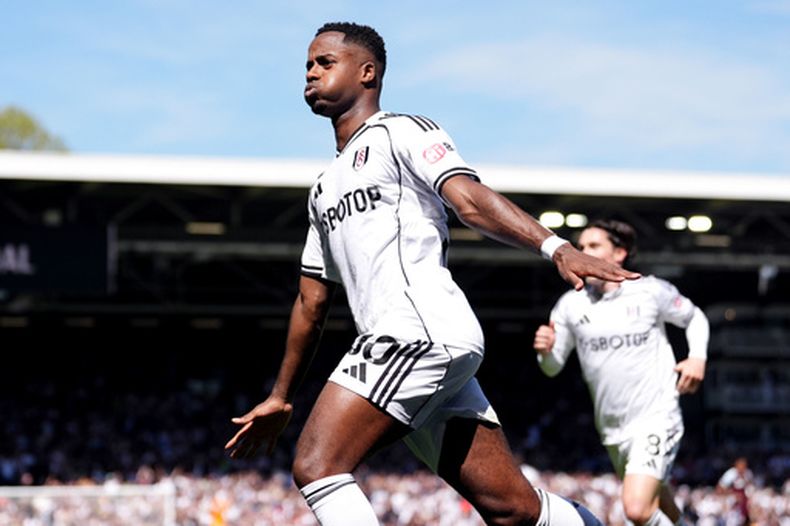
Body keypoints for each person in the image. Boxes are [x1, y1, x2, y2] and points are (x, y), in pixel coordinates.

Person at [225, 22, 638, 526]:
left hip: (415, 332)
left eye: (325, 62)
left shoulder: (402, 132)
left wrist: (555, 247)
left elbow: (468, 200)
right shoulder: (323, 190)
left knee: (318, 465)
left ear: (367, 72)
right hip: (421, 346)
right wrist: (280, 396)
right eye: (308, 65)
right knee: (513, 510)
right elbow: (312, 300)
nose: (310, 72)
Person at [533, 219, 709, 526]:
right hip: (612, 429)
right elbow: (552, 367)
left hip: (656, 415)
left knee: (637, 509)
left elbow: (695, 318)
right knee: (659, 502)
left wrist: (697, 358)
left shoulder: (650, 291)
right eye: (581, 246)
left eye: (594, 246)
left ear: (619, 254)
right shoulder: (569, 306)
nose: (583, 252)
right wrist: (544, 351)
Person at [717, 456, 753, 525]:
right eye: (741, 465)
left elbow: (750, 486)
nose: (743, 467)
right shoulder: (731, 474)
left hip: (744, 500)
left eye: (744, 466)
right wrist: (734, 494)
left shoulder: (748, 473)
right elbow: (719, 489)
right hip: (731, 500)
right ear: (736, 465)